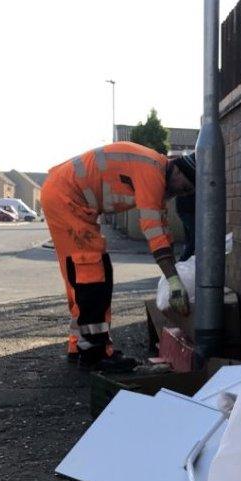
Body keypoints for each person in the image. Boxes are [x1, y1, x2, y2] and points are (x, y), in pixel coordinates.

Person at [41, 142, 196, 372]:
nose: (177, 195)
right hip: (67, 198)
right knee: (92, 275)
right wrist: (173, 280)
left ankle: (81, 346)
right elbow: (153, 231)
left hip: (64, 195)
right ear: (178, 170)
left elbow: (162, 230)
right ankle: (95, 354)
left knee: (83, 275)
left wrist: (173, 272)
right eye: (183, 188)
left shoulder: (155, 170)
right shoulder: (153, 174)